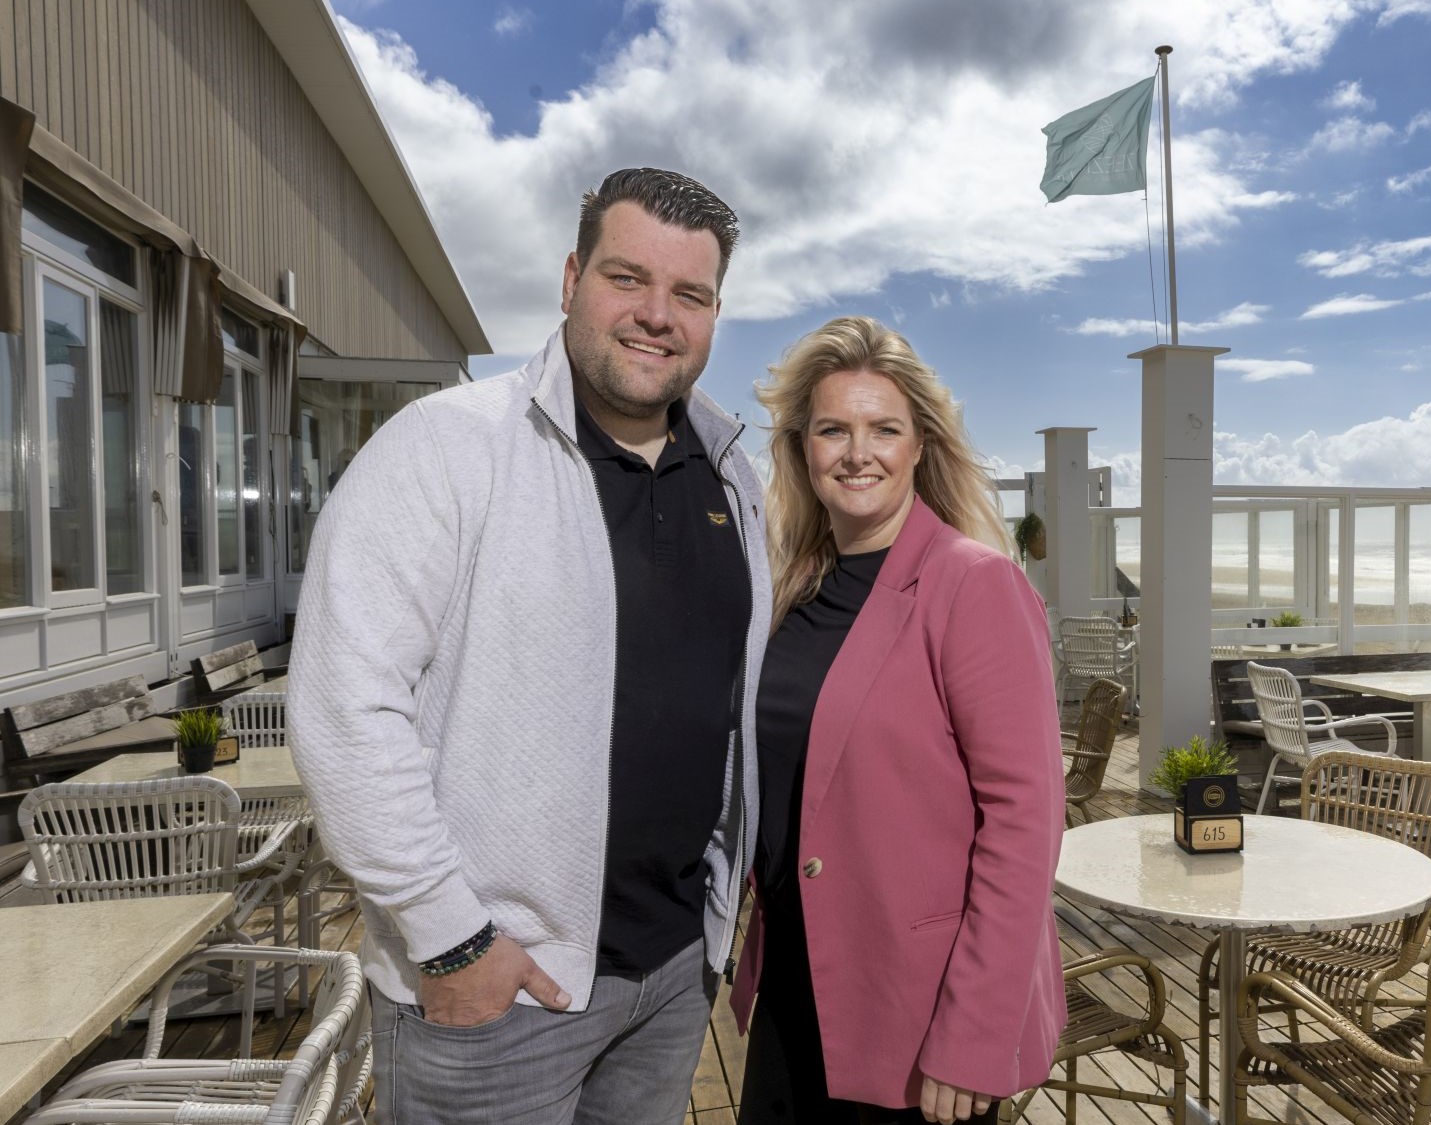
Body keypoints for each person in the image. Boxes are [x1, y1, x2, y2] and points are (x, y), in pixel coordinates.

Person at [289, 168, 770, 1125]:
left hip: (673, 976)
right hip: (495, 992)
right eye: (627, 277)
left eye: (692, 294)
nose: (657, 315)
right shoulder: (444, 449)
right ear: (569, 279)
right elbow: (345, 711)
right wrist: (451, 938)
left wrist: (712, 932)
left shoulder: (734, 475)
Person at [730, 316, 1066, 1124]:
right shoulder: (791, 591)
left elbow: (1026, 823)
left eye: (884, 429)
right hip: (793, 988)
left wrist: (974, 1032)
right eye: (833, 429)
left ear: (920, 445)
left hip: (917, 1017)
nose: (858, 452)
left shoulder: (972, 585)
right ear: (801, 448)